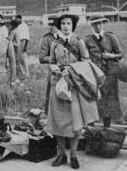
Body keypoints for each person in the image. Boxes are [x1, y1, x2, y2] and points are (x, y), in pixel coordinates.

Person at [47, 14, 103, 169]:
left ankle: (73, 155)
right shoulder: (55, 44)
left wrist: (71, 70)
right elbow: (51, 62)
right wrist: (56, 69)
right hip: (58, 86)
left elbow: (86, 63)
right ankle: (61, 155)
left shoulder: (78, 42)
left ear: (72, 25)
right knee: (58, 122)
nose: (65, 26)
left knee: (75, 122)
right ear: (59, 26)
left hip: (74, 86)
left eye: (68, 23)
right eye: (63, 24)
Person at [85, 15, 123, 127]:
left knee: (110, 99)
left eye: (100, 23)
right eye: (95, 24)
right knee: (94, 98)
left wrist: (110, 56)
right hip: (95, 74)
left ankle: (107, 126)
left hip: (110, 73)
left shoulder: (111, 37)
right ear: (92, 25)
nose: (97, 26)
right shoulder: (88, 40)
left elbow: (120, 54)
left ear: (103, 24)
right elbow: (83, 57)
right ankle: (91, 128)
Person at [38, 15, 60, 113]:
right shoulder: (46, 39)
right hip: (53, 71)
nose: (51, 27)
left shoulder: (66, 36)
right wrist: (53, 59)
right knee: (52, 96)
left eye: (54, 25)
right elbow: (42, 58)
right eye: (50, 25)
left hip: (67, 71)